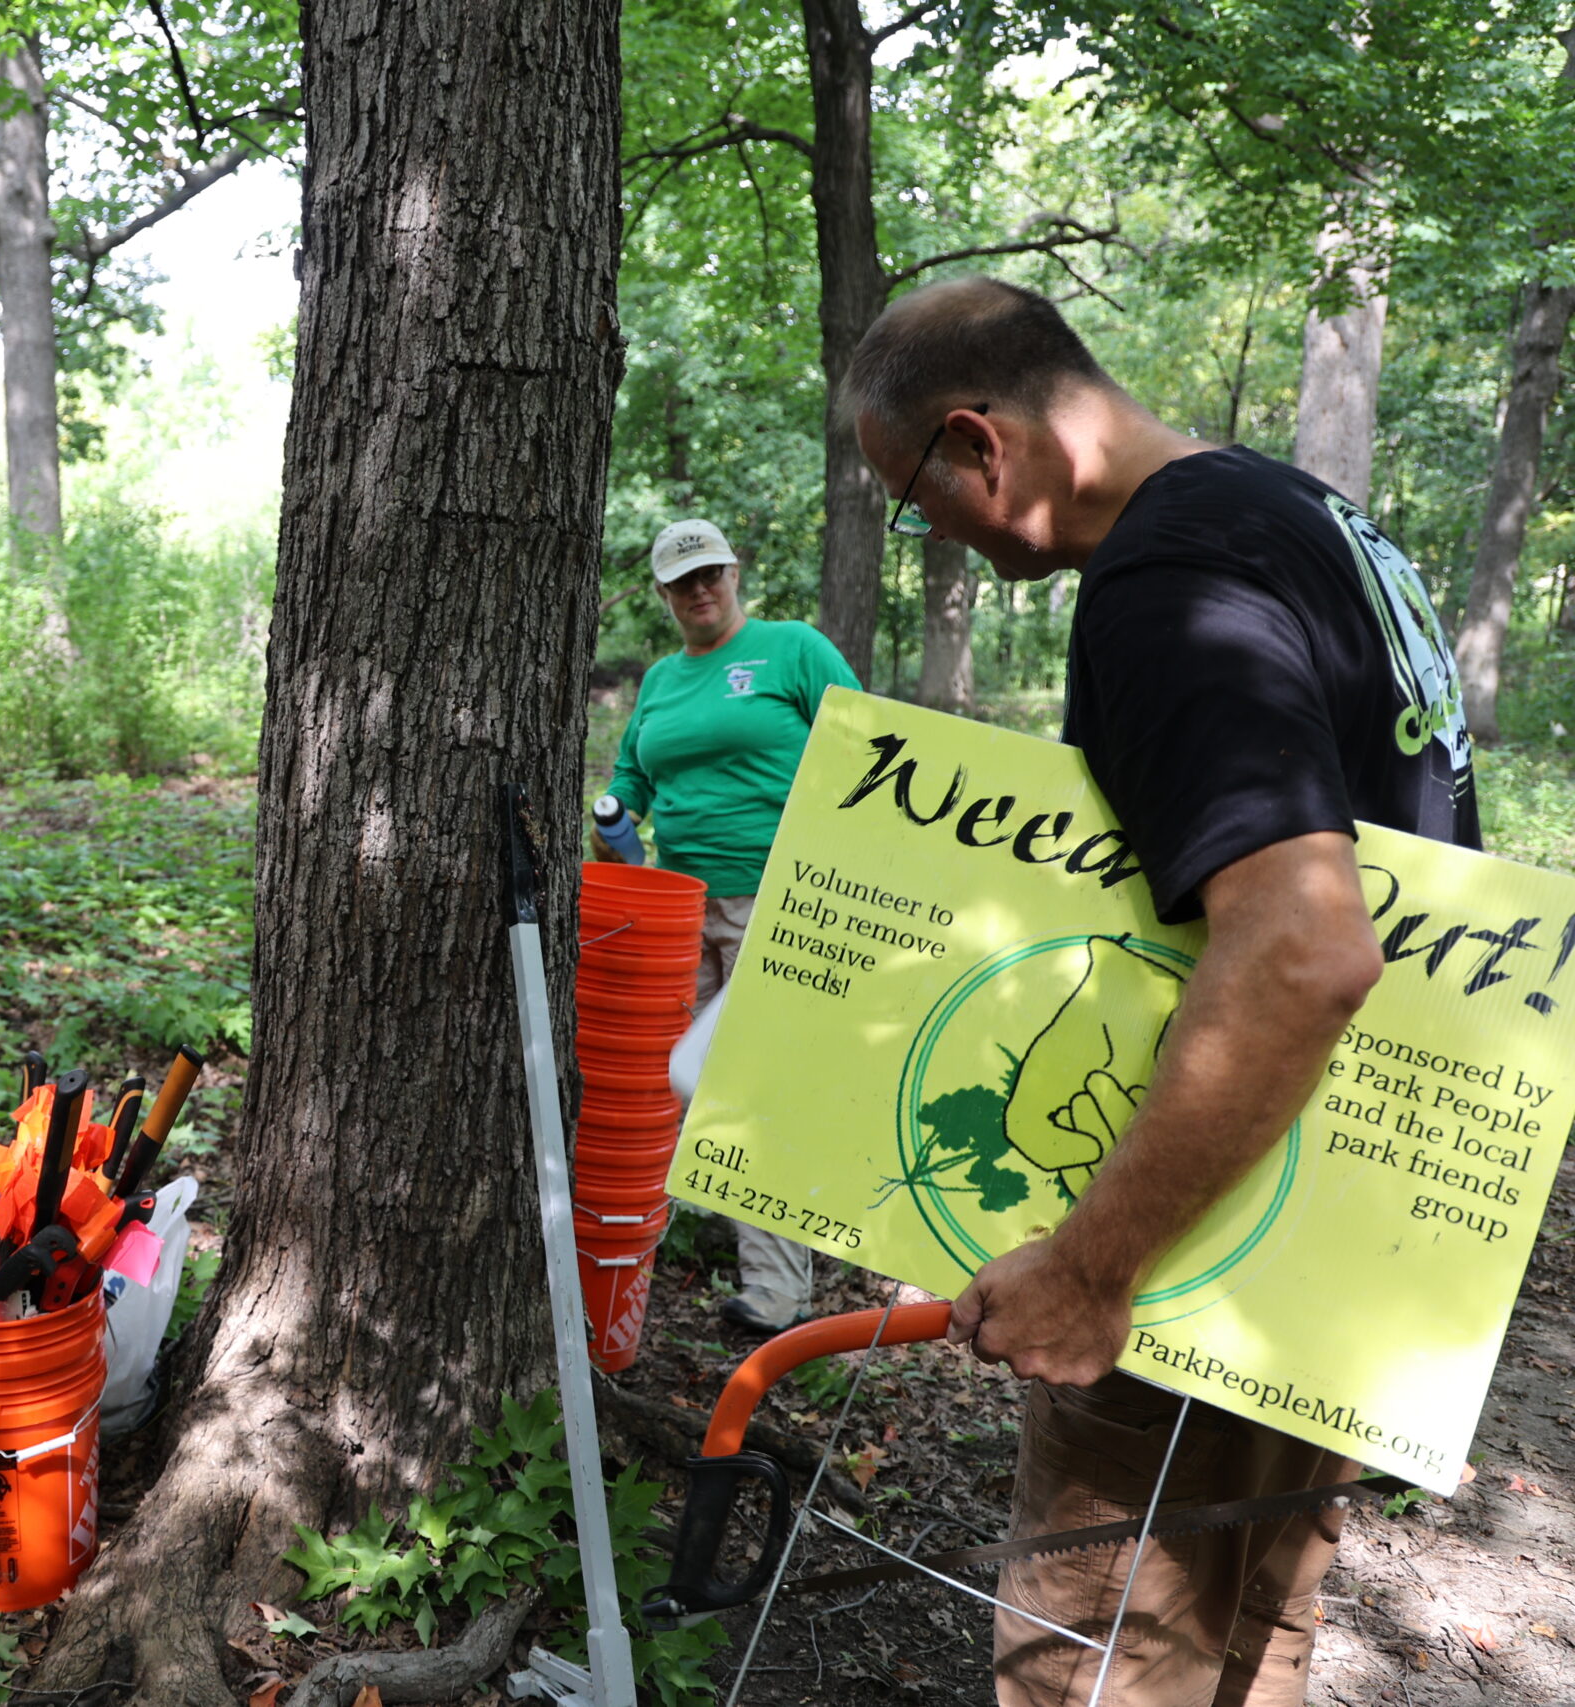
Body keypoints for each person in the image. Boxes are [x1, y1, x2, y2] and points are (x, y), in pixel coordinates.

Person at [842, 277, 1475, 1707]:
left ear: (977, 441)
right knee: (1256, 1640)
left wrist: (1089, 1268)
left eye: (910, 495)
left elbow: (1306, 949)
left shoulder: (1169, 583)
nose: (926, 532)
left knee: (1100, 1658)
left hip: (1203, 1248)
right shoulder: (1304, 518)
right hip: (1323, 1240)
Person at [597, 517, 860, 1333]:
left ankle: (778, 1288)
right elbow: (630, 778)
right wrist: (614, 825)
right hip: (677, 909)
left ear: (734, 572)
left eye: (710, 572)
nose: (700, 589)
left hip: (778, 901)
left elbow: (870, 749)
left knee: (748, 1078)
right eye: (682, 581)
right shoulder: (661, 684)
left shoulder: (793, 650)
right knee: (676, 1078)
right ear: (664, 594)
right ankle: (655, 1236)